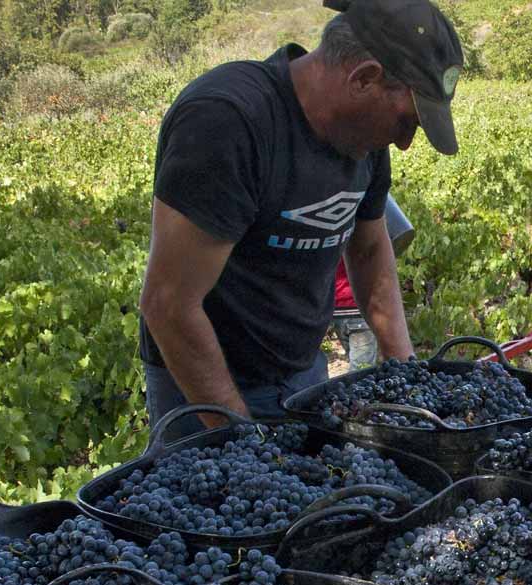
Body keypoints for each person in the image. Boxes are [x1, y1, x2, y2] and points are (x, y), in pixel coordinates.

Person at [136, 0, 463, 433]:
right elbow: (168, 304)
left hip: (303, 376)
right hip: (201, 385)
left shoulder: (365, 140)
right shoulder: (228, 121)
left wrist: (404, 368)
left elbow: (368, 248)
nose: (404, 143)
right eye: (408, 122)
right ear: (364, 78)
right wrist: (239, 438)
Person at [329, 195, 414, 367]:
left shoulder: (328, 236)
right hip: (358, 310)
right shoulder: (362, 236)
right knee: (360, 370)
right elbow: (372, 258)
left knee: (356, 366)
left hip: (336, 310)